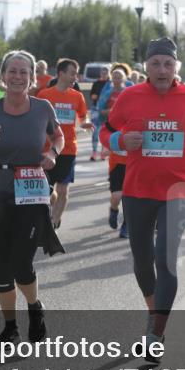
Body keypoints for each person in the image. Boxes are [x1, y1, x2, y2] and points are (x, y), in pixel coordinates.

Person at [99, 38, 185, 362]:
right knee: (142, 260)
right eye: (156, 64)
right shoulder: (130, 97)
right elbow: (105, 132)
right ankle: (154, 314)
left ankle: (155, 334)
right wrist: (120, 139)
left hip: (179, 190)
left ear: (176, 66)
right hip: (138, 190)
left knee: (165, 259)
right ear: (146, 68)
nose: (162, 70)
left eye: (168, 63)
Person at [0, 51, 64, 344]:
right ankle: (10, 327)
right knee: (1, 267)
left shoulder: (42, 107)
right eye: (12, 71)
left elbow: (58, 136)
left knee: (22, 264)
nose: (17, 77)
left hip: (31, 192)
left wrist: (52, 153)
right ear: (3, 76)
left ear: (32, 78)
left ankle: (34, 307)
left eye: (24, 72)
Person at [37, 58, 92, 228]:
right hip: (46, 150)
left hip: (68, 149)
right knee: (47, 191)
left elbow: (82, 117)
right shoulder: (44, 95)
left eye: (77, 74)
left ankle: (53, 223)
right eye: (72, 73)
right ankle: (53, 211)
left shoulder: (77, 96)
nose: (76, 77)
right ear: (61, 74)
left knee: (62, 189)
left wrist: (85, 123)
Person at [98, 68, 132, 237]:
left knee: (129, 197)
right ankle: (113, 209)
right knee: (117, 195)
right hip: (117, 162)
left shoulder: (136, 117)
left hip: (133, 163)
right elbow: (101, 112)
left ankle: (126, 225)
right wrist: (107, 146)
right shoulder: (115, 120)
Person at [88, 67, 111, 161]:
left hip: (106, 110)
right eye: (103, 72)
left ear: (108, 74)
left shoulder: (110, 84)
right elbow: (92, 95)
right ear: (100, 73)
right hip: (96, 109)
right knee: (95, 131)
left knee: (105, 131)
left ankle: (103, 152)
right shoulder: (96, 83)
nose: (104, 74)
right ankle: (94, 152)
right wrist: (94, 96)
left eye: (106, 73)